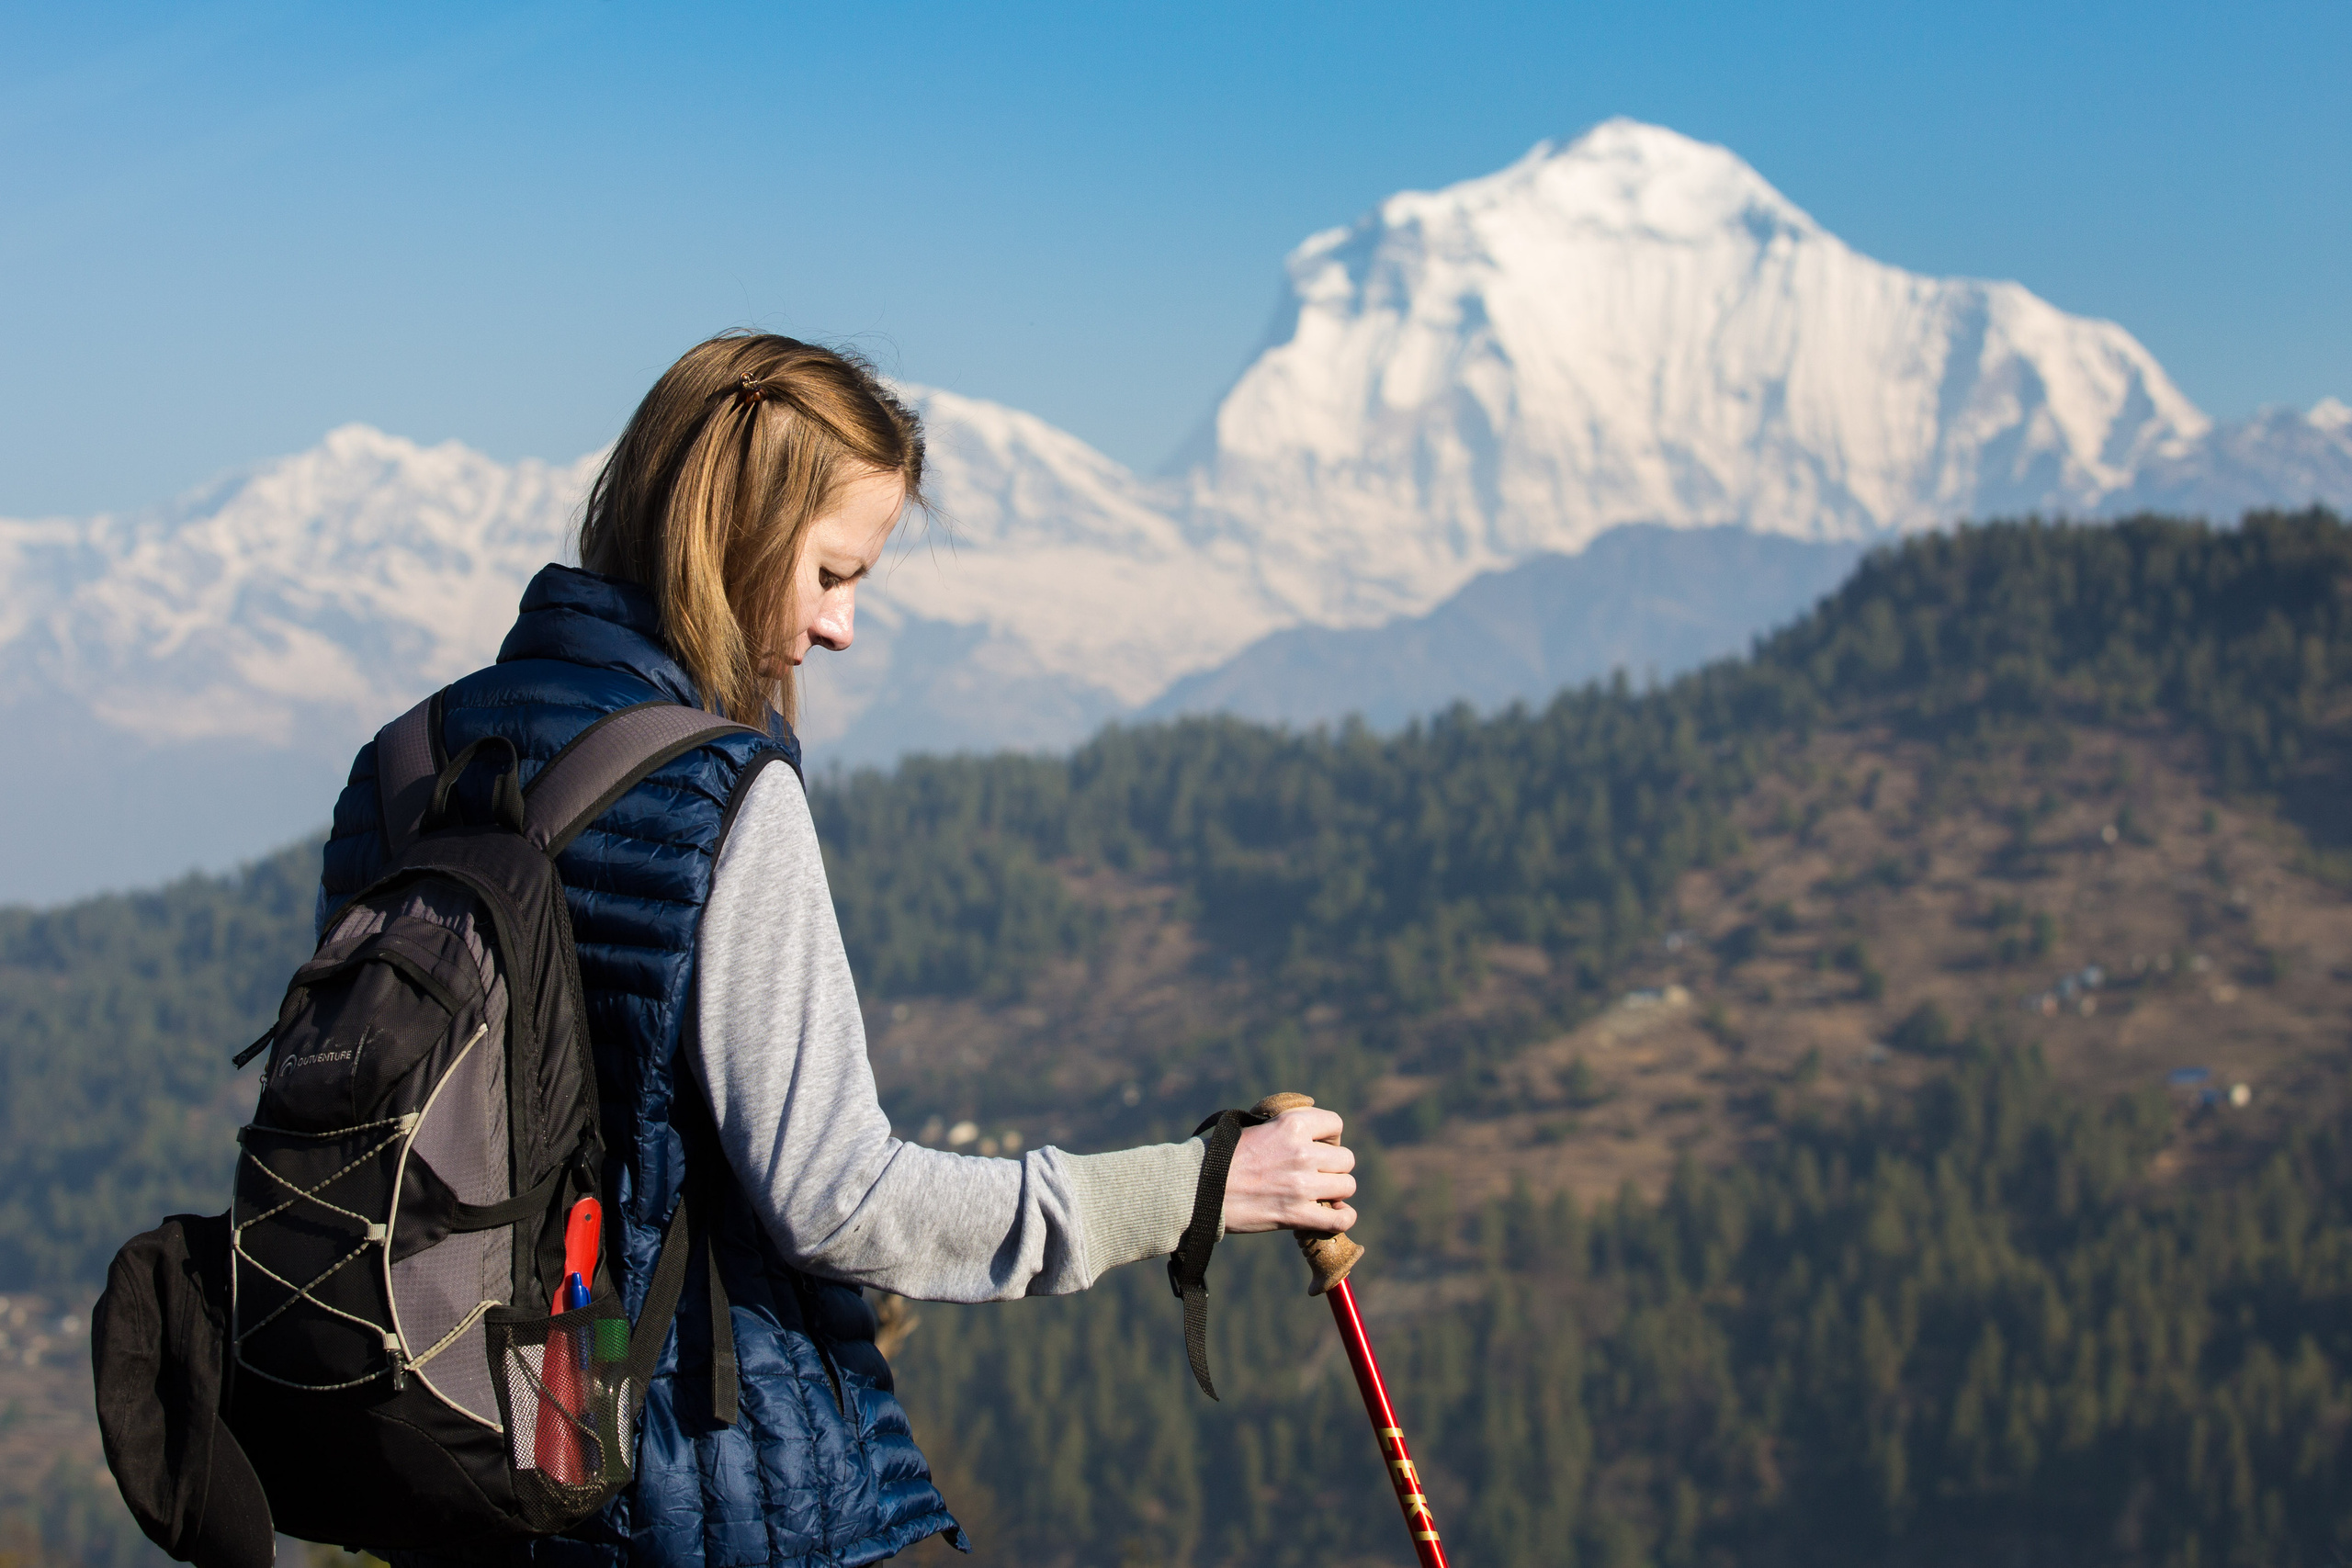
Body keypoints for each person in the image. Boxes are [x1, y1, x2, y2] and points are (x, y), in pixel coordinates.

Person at [315, 331, 1358, 1568]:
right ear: (737, 530)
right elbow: (843, 1200)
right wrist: (1195, 1190)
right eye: (829, 571)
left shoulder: (401, 764)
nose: (843, 626)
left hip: (453, 1461)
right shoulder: (717, 793)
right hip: (687, 1492)